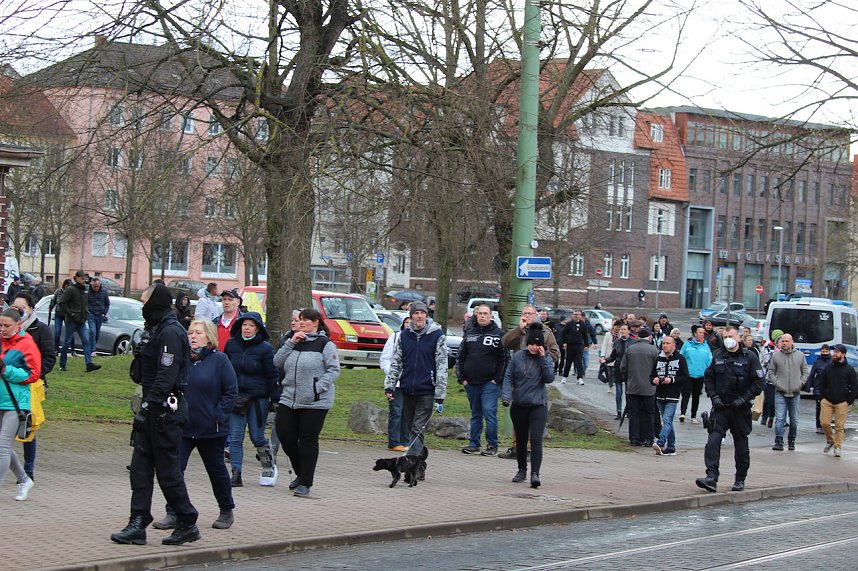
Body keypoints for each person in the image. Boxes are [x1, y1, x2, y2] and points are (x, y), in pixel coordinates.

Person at [110, 283, 199, 546]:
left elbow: (167, 375)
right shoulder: (156, 329)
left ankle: (186, 520)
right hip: (152, 406)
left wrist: (151, 405)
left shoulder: (171, 331)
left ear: (156, 302)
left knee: (167, 470)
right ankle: (138, 522)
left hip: (164, 410)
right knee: (139, 468)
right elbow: (144, 372)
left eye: (145, 301)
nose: (142, 306)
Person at [153, 319, 237, 531]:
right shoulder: (182, 360)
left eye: (198, 332)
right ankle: (173, 511)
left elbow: (231, 391)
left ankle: (226, 509)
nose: (192, 336)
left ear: (208, 336)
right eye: (190, 332)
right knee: (174, 471)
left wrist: (219, 414)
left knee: (216, 470)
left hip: (211, 428)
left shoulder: (220, 360)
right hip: (182, 426)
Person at [274, 307, 340, 497]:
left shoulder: (324, 344)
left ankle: (306, 483)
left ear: (316, 322)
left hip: (315, 402)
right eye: (299, 319)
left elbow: (334, 370)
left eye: (306, 320)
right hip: (289, 398)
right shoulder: (292, 341)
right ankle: (301, 473)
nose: (301, 323)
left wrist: (317, 388)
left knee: (307, 440)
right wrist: (290, 343)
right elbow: (277, 362)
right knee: (285, 436)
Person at [695, 325, 765, 493]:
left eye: (731, 336)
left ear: (739, 337)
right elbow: (709, 378)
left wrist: (744, 399)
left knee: (741, 446)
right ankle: (711, 477)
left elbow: (759, 382)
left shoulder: (750, 357)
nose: (728, 339)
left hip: (740, 409)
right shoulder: (718, 355)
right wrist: (714, 397)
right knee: (713, 441)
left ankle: (740, 479)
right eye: (725, 336)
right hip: (721, 407)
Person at [383, 301, 447, 462]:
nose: (419, 316)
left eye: (422, 313)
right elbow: (396, 362)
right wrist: (390, 386)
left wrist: (440, 394)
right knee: (412, 428)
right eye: (416, 313)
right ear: (410, 316)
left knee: (418, 428)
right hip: (407, 388)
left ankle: (411, 464)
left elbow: (442, 365)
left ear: (427, 315)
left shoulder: (437, 336)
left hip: (427, 389)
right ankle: (420, 463)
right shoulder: (404, 336)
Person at [224, 312, 280, 487]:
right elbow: (224, 369)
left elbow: (272, 374)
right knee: (235, 438)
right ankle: (236, 473)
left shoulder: (265, 348)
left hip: (258, 398)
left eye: (251, 325)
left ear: (258, 328)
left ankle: (268, 465)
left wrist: (275, 397)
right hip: (236, 397)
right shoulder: (231, 344)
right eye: (244, 325)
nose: (247, 328)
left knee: (257, 437)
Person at [500, 304, 560, 459]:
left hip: (536, 377)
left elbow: (555, 353)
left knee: (532, 415)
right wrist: (518, 330)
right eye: (524, 313)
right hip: (519, 376)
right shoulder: (519, 331)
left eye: (530, 313)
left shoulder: (546, 333)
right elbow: (505, 343)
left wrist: (543, 356)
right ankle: (516, 447)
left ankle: (528, 448)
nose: (527, 316)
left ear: (536, 315)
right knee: (518, 413)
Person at [501, 322, 553, 488]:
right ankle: (521, 469)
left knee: (536, 440)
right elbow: (508, 377)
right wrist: (506, 397)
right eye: (531, 344)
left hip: (538, 405)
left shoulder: (545, 358)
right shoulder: (518, 357)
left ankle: (535, 474)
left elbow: (549, 378)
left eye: (537, 345)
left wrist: (543, 358)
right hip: (519, 404)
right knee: (521, 440)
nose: (533, 347)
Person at [10, 292, 55, 482]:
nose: (17, 312)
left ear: (30, 309)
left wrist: (34, 374)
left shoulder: (40, 330)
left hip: (31, 386)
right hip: (8, 385)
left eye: (21, 309)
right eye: (14, 308)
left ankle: (28, 470)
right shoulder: (7, 330)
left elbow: (49, 358)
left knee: (27, 426)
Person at [0, 308, 41, 501]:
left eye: (6, 326)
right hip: (1, 400)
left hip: (15, 403)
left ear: (18, 325)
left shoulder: (27, 344)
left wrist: (6, 370)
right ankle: (24, 479)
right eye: (0, 325)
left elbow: (33, 374)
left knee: (2, 448)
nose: (3, 329)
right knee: (3, 447)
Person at [457, 304, 508, 456]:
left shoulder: (499, 334)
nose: (482, 316)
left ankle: (492, 445)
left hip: (490, 383)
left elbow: (505, 358)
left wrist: (497, 379)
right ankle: (474, 444)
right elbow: (461, 356)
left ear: (491, 315)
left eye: (485, 313)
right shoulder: (469, 334)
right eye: (479, 313)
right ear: (475, 315)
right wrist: (462, 379)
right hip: (471, 383)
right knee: (476, 414)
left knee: (489, 413)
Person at [767, 333, 808, 451]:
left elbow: (805, 371)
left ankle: (792, 440)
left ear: (792, 342)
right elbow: (771, 372)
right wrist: (777, 383)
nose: (784, 343)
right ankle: (779, 441)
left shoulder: (800, 356)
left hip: (795, 393)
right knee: (780, 418)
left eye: (786, 341)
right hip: (780, 392)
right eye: (782, 341)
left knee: (794, 419)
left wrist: (800, 383)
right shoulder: (776, 356)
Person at [620, 327, 659, 447]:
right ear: (649, 337)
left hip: (633, 387)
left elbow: (622, 367)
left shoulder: (630, 349)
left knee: (634, 413)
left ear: (637, 337)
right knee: (649, 414)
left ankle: (634, 438)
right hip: (649, 388)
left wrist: (629, 378)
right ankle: (648, 438)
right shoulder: (654, 350)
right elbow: (658, 368)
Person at [818, 344, 857, 458]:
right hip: (827, 400)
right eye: (834, 352)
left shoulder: (849, 370)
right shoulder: (828, 368)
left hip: (842, 402)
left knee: (839, 426)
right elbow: (822, 383)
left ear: (843, 354)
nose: (834, 354)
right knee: (824, 423)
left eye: (837, 352)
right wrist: (822, 397)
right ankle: (830, 440)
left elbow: (854, 386)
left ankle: (838, 446)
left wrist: (849, 401)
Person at [652, 336, 688, 456]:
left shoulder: (680, 359)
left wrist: (671, 380)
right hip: (660, 394)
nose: (665, 345)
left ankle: (661, 442)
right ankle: (671, 447)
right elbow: (651, 375)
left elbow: (685, 377)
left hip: (672, 395)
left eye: (667, 343)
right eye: (663, 343)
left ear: (674, 345)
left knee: (667, 420)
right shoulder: (658, 359)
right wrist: (654, 380)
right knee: (668, 422)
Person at [58, 270, 100, 373]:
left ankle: (88, 364)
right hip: (72, 320)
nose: (83, 280)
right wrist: (70, 313)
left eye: (84, 278)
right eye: (82, 278)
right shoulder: (71, 290)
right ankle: (62, 364)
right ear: (76, 278)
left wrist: (86, 312)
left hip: (81, 320)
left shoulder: (84, 289)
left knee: (86, 341)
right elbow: (61, 303)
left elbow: (85, 302)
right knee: (67, 342)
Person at [380, 315, 411, 452]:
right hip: (395, 383)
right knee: (396, 411)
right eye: (407, 322)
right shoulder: (395, 337)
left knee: (407, 412)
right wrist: (393, 374)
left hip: (410, 382)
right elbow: (385, 359)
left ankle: (405, 441)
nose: (409, 325)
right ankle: (394, 441)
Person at [679, 325, 712, 424]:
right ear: (695, 334)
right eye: (700, 332)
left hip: (700, 375)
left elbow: (709, 360)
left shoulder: (706, 346)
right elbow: (681, 357)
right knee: (686, 395)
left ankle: (693, 416)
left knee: (696, 396)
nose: (702, 335)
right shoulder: (687, 345)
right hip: (688, 375)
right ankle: (683, 413)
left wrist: (708, 372)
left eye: (703, 333)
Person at [604, 322, 631, 419]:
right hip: (618, 368)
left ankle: (628, 411)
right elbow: (612, 357)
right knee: (619, 391)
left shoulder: (632, 342)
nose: (623, 331)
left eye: (625, 329)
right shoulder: (617, 342)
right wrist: (605, 360)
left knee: (628, 392)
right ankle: (619, 412)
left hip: (629, 369)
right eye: (621, 329)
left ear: (629, 331)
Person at [804, 344, 831, 434]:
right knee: (819, 407)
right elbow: (812, 374)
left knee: (828, 408)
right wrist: (808, 386)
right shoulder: (817, 362)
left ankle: (826, 424)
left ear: (829, 352)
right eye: (823, 352)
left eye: (826, 351)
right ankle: (819, 425)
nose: (824, 353)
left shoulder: (832, 362)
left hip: (829, 389)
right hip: (818, 388)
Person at [759, 328, 784, 428]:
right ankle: (765, 416)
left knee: (779, 400)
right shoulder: (768, 348)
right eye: (780, 339)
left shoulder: (785, 350)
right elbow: (765, 361)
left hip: (781, 380)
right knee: (769, 400)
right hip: (768, 379)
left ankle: (773, 417)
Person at [560, 310, 590, 385]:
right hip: (570, 345)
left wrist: (586, 345)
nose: (576, 316)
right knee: (568, 362)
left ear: (580, 316)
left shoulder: (583, 324)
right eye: (574, 314)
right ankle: (565, 377)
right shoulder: (569, 324)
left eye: (577, 314)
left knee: (579, 362)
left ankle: (580, 378)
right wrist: (564, 342)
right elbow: (563, 334)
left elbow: (585, 336)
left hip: (579, 345)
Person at [87, 277, 110, 355]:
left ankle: (92, 347)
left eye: (97, 286)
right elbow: (85, 303)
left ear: (100, 285)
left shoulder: (104, 292)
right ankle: (92, 350)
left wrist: (104, 312)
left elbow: (107, 303)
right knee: (92, 331)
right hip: (91, 314)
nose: (96, 288)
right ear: (92, 285)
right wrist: (88, 311)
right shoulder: (88, 292)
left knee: (96, 333)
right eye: (94, 286)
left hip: (100, 315)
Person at [599, 320, 622, 394]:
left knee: (616, 372)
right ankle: (610, 386)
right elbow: (604, 345)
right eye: (616, 326)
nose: (617, 328)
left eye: (619, 327)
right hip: (609, 357)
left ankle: (616, 383)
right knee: (610, 373)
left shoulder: (622, 335)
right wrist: (603, 356)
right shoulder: (608, 334)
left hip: (618, 357)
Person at [49, 279, 72, 354]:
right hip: (58, 314)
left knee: (70, 331)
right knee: (57, 332)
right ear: (65, 285)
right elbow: (54, 301)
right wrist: (51, 307)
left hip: (67, 314)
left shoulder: (71, 293)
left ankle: (73, 349)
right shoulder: (58, 292)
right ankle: (56, 349)